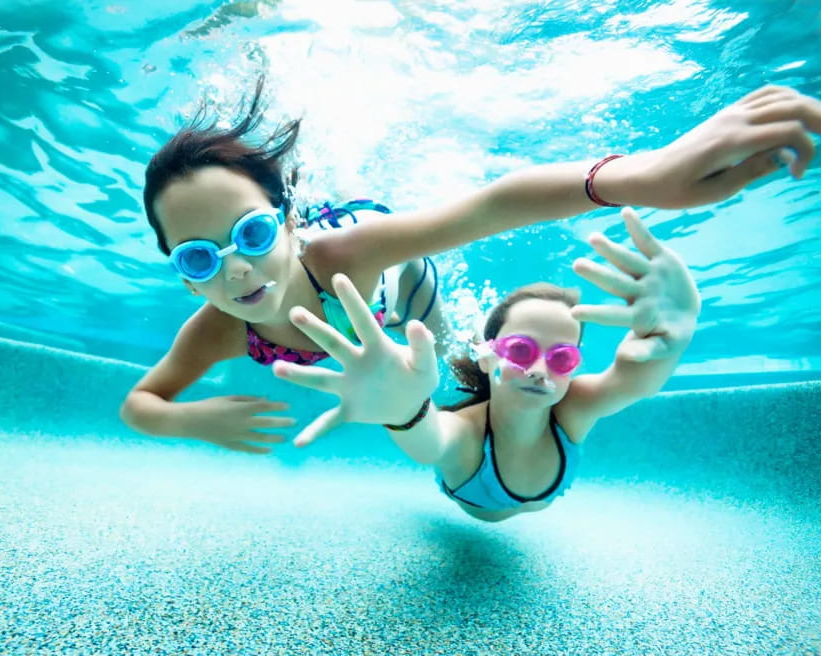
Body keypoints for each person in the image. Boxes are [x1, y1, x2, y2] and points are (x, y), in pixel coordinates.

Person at [120, 80, 821, 455]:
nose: (236, 270)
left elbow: (488, 207)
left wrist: (643, 176)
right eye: (202, 256)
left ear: (289, 220)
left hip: (404, 290)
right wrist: (194, 421)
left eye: (250, 232)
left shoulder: (341, 253)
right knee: (412, 389)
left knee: (458, 370)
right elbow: (140, 403)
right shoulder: (213, 328)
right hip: (365, 335)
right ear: (183, 274)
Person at [272, 208, 701, 521]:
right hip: (478, 499)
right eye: (520, 351)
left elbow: (634, 381)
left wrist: (675, 333)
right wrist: (404, 411)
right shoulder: (468, 436)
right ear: (488, 352)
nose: (540, 371)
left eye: (562, 358)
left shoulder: (573, 406)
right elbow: (432, 442)